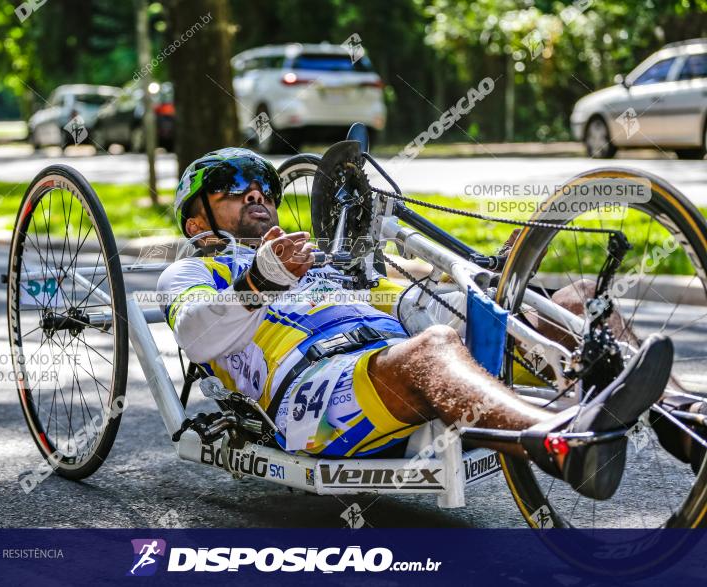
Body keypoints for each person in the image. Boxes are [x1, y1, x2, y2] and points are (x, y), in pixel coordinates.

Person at [158, 148, 680, 501]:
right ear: (197, 220)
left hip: (394, 359)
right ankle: (561, 442)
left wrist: (478, 282)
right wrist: (260, 282)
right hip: (311, 399)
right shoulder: (190, 270)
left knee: (580, 300)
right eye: (233, 188)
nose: (257, 194)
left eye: (265, 187)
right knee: (433, 348)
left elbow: (410, 292)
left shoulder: (314, 260)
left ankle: (684, 418)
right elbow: (195, 335)